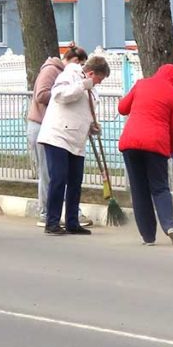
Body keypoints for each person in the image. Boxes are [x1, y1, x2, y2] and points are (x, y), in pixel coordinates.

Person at [37, 55, 110, 236]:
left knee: (75, 182)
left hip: (76, 139)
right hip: (58, 136)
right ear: (91, 73)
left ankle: (72, 222)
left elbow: (83, 109)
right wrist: (83, 85)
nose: (98, 84)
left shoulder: (91, 88)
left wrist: (91, 126)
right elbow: (60, 95)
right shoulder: (69, 75)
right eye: (98, 79)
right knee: (59, 179)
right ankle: (52, 222)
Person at [118, 64, 173, 247]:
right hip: (156, 145)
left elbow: (122, 108)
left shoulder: (141, 84)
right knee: (160, 188)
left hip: (130, 143)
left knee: (139, 190)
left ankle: (148, 236)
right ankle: (170, 225)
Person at [27, 45, 91, 228]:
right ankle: (47, 213)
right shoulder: (52, 70)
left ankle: (69, 214)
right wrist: (63, 102)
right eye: (80, 63)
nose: (81, 68)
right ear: (73, 60)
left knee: (60, 173)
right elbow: (42, 95)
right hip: (42, 124)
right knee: (50, 172)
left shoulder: (69, 75)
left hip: (60, 126)